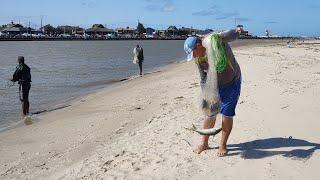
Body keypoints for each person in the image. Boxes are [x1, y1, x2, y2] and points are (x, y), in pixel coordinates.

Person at [185, 29, 241, 156]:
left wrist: (231, 32)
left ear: (198, 45)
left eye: (193, 53)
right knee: (209, 114)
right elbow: (203, 78)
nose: (194, 56)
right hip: (213, 85)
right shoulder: (199, 58)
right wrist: (205, 94)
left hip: (232, 82)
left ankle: (222, 145)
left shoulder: (214, 42)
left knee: (226, 114)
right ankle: (204, 143)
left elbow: (233, 35)